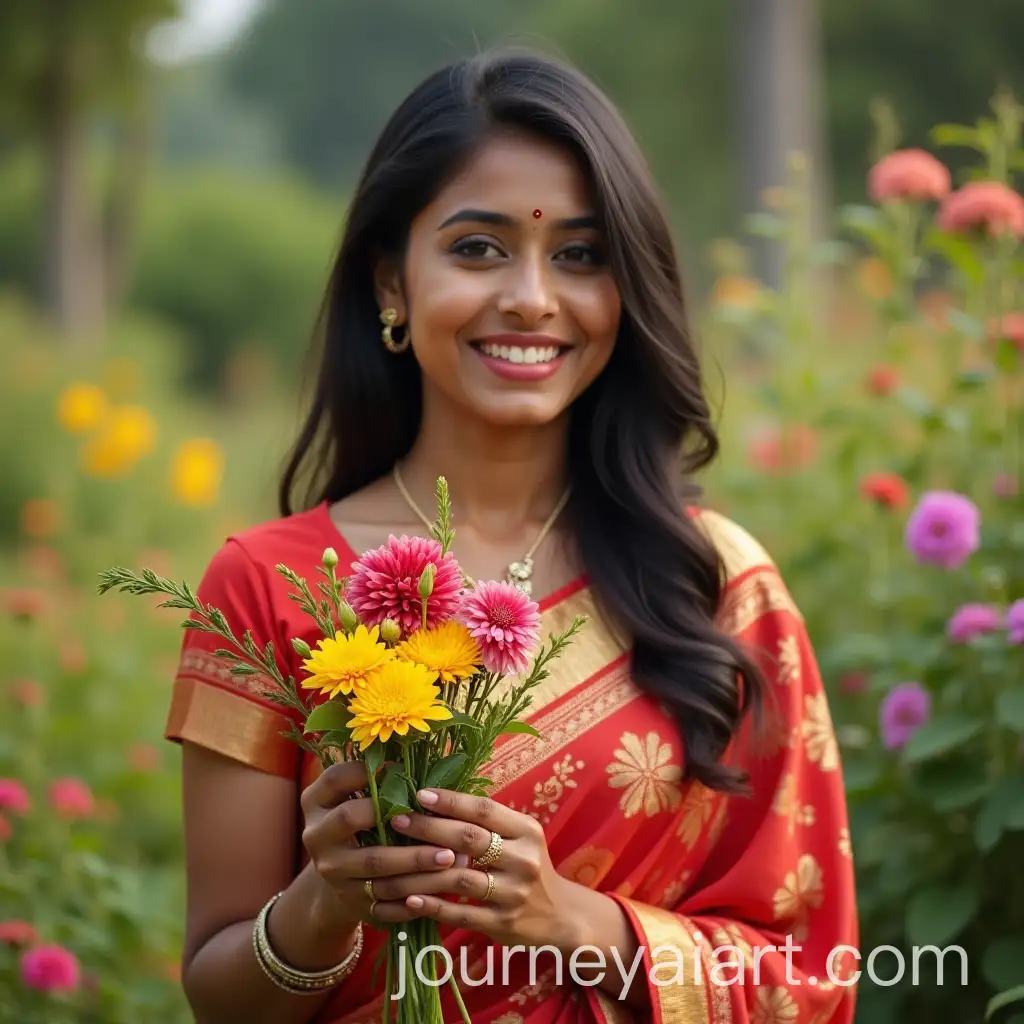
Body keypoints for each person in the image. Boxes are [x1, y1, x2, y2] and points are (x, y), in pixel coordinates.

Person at [165, 47, 858, 1024]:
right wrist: (323, 906)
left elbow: (815, 980)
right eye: (478, 248)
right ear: (390, 282)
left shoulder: (715, 587)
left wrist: (574, 920)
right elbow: (219, 996)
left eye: (578, 254)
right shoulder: (269, 585)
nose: (532, 296)